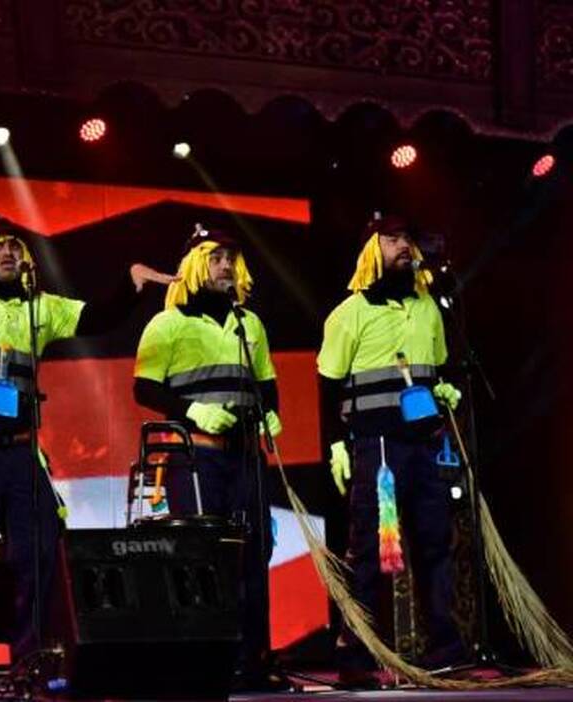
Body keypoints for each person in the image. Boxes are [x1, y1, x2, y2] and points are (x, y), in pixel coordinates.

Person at [0, 140, 175, 676]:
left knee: (39, 557)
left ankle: (34, 663)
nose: (8, 253)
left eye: (15, 245)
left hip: (20, 455)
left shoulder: (41, 309)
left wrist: (130, 287)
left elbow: (97, 318)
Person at [317, 213, 466, 686]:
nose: (404, 246)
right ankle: (357, 652)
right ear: (371, 250)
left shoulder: (427, 308)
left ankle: (444, 647)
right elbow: (327, 383)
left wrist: (444, 391)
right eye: (392, 240)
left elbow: (438, 367)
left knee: (435, 541)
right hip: (376, 446)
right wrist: (337, 445)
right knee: (370, 549)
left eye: (407, 239)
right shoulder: (349, 313)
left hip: (425, 443)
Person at [132, 225, 283, 690]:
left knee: (255, 553)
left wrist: (271, 414)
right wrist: (194, 411)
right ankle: (206, 662)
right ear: (195, 265)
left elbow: (267, 383)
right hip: (195, 457)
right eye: (215, 258)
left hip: (246, 456)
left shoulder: (248, 323)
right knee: (203, 557)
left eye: (229, 259)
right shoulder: (167, 324)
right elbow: (144, 388)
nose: (224, 266)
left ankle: (254, 660)